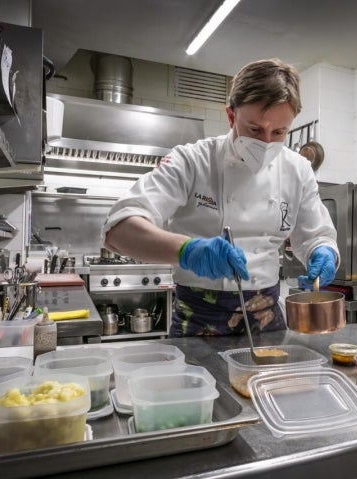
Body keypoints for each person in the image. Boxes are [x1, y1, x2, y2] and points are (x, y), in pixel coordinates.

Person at [101, 58, 339, 337]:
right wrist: (186, 250)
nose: (265, 143)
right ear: (231, 116)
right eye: (254, 129)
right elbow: (118, 230)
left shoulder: (298, 169)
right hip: (199, 318)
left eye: (278, 132)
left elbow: (316, 235)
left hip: (267, 321)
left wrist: (323, 251)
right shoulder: (192, 161)